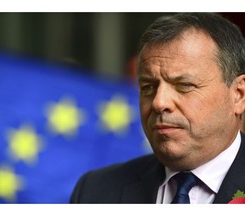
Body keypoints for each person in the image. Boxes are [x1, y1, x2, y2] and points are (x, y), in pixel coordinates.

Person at [70, 13, 245, 204]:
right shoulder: (95, 191)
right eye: (148, 87)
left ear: (238, 95)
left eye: (184, 85)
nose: (159, 103)